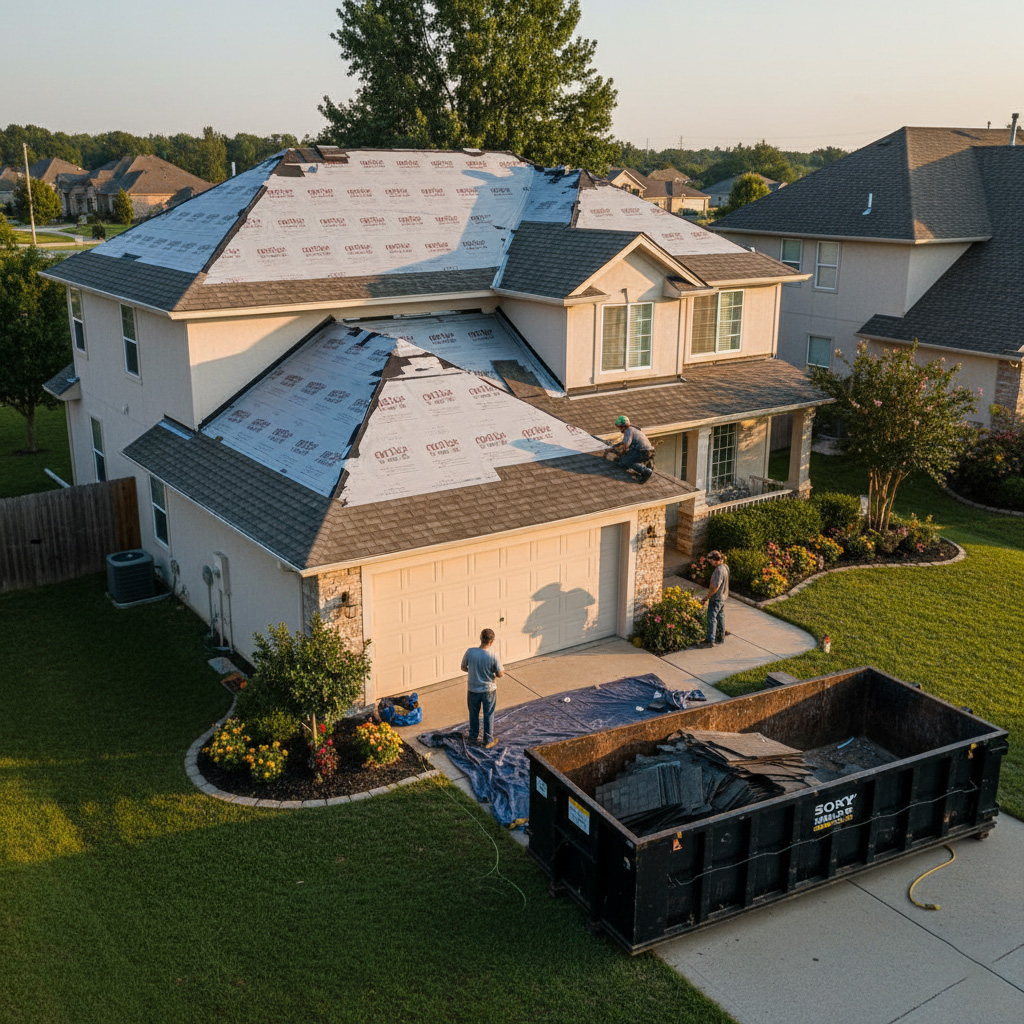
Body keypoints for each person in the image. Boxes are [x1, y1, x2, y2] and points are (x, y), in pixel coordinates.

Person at [462, 628, 505, 748]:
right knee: (488, 714)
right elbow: (500, 674)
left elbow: (463, 667)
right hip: (488, 690)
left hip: (473, 689)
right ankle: (488, 740)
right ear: (492, 641)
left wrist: (473, 672)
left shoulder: (470, 652)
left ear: (481, 638)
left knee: (473, 713)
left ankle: (473, 737)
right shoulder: (493, 656)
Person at [607, 415, 654, 482]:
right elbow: (623, 443)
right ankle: (645, 466)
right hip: (648, 451)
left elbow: (626, 445)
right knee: (622, 461)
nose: (619, 429)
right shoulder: (633, 429)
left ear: (624, 425)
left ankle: (646, 471)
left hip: (642, 452)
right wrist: (613, 447)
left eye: (620, 427)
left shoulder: (628, 431)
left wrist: (622, 454)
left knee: (626, 462)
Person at [702, 550, 730, 647]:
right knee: (720, 616)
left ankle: (710, 640)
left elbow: (716, 586)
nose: (710, 563)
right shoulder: (725, 567)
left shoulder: (719, 570)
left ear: (715, 560)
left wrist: (707, 597)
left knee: (711, 618)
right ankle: (720, 637)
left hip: (716, 598)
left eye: (711, 561)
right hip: (723, 597)